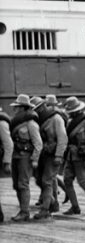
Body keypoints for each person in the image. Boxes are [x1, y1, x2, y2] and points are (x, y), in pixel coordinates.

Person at [61, 96, 85, 215]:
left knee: (83, 181)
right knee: (67, 180)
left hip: (81, 156)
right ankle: (75, 206)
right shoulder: (69, 122)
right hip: (70, 156)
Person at [8, 94, 42, 222]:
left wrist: (35, 159)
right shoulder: (16, 121)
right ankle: (23, 209)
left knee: (23, 184)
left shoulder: (31, 123)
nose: (14, 109)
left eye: (17, 107)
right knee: (17, 185)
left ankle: (25, 211)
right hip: (15, 156)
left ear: (23, 108)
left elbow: (38, 143)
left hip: (25, 157)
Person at [34, 95, 66, 219]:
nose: (36, 111)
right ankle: (53, 203)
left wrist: (59, 155)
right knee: (41, 180)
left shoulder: (56, 118)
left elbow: (62, 138)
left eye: (37, 108)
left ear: (43, 106)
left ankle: (45, 209)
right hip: (43, 154)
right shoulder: (38, 120)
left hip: (53, 155)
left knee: (47, 181)